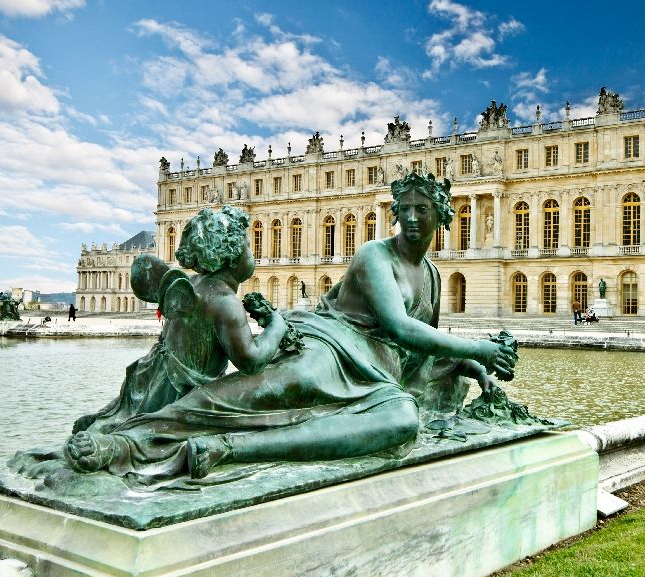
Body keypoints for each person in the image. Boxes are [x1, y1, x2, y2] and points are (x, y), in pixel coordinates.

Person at [63, 172, 515, 484]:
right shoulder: (375, 256)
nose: (413, 219)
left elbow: (417, 352)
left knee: (402, 419)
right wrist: (479, 346)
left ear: (443, 215)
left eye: (423, 210)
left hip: (377, 377)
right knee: (262, 392)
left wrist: (469, 362)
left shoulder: (433, 276)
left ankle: (230, 449)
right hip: (330, 344)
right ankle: (128, 441)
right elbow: (399, 326)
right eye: (406, 209)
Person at [69, 205, 288, 436]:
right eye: (247, 247)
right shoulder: (225, 302)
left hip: (153, 382)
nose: (251, 253)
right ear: (232, 256)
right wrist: (277, 325)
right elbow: (250, 361)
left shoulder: (192, 283)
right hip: (182, 396)